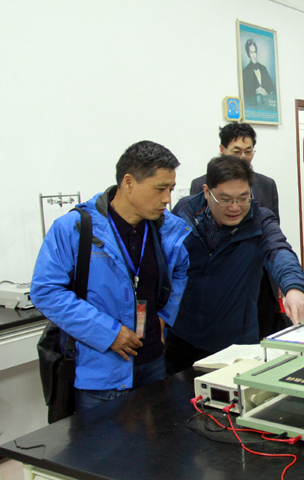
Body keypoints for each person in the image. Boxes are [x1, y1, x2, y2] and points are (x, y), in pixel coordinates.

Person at [30, 141, 190, 412]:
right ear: (128, 182)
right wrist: (109, 333)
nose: (167, 199)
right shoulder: (76, 228)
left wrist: (164, 316)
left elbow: (180, 270)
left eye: (171, 190)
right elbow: (46, 291)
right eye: (160, 188)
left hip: (153, 362)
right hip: (101, 372)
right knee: (103, 440)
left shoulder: (166, 228)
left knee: (159, 439)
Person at [165, 155, 304, 374]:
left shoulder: (260, 221)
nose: (235, 207)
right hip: (181, 337)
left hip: (235, 344)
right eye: (225, 199)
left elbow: (279, 251)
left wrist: (294, 288)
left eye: (243, 198)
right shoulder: (185, 212)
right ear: (207, 191)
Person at [191, 123, 285, 338]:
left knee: (264, 332)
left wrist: (279, 277)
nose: (243, 158)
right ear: (222, 150)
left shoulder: (266, 184)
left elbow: (273, 232)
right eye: (236, 151)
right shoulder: (201, 185)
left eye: (248, 151)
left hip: (260, 275)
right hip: (225, 278)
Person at [241, 39, 276, 107]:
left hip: (266, 107)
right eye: (251, 52)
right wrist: (255, 91)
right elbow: (244, 93)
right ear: (248, 54)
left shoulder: (263, 69)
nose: (254, 55)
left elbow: (272, 89)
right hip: (253, 107)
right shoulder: (245, 72)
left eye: (255, 52)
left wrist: (268, 92)